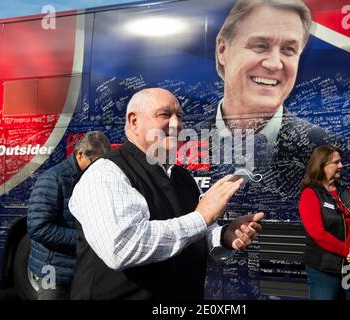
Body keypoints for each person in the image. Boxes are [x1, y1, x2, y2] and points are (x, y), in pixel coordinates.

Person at [68, 88, 264, 300]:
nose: (176, 124)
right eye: (164, 114)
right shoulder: (106, 172)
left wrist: (224, 236)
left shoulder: (183, 177)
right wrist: (201, 218)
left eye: (179, 116)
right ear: (134, 122)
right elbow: (123, 247)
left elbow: (198, 234)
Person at [193, 0, 337, 204]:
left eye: (288, 49)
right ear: (223, 50)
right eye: (260, 46)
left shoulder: (328, 148)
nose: (274, 64)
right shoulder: (179, 144)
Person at [27, 131, 111, 300]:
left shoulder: (93, 178)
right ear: (80, 155)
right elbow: (39, 228)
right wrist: (84, 240)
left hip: (79, 269)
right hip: (53, 270)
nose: (100, 168)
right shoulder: (53, 179)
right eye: (95, 162)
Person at [298, 144, 350, 300]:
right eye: (336, 162)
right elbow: (317, 232)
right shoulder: (310, 194)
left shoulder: (346, 192)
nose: (341, 166)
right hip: (324, 269)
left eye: (340, 161)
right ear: (322, 165)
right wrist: (348, 252)